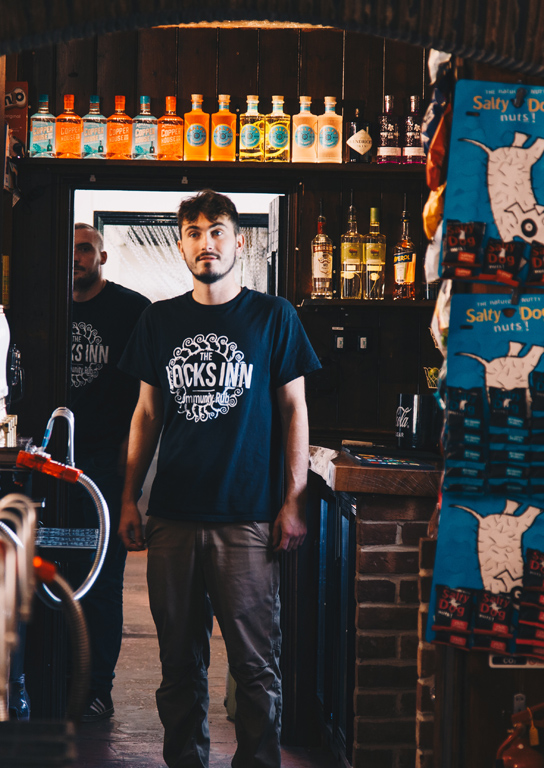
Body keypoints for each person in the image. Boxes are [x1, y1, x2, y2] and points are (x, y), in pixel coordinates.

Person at [117, 190, 319, 768]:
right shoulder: (160, 319)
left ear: (240, 241)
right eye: (193, 232)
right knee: (178, 667)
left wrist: (293, 501)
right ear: (181, 243)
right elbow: (147, 415)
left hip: (248, 516)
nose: (206, 242)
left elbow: (294, 412)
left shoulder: (273, 316)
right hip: (173, 516)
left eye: (217, 230)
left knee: (255, 668)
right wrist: (129, 498)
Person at [68, 222, 151, 722]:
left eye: (84, 249)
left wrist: (128, 489)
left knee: (103, 585)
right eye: (69, 250)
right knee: (50, 576)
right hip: (48, 463)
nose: (75, 258)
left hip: (106, 461)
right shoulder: (41, 301)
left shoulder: (130, 309)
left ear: (102, 258)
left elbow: (142, 404)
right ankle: (52, 680)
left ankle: (99, 689)